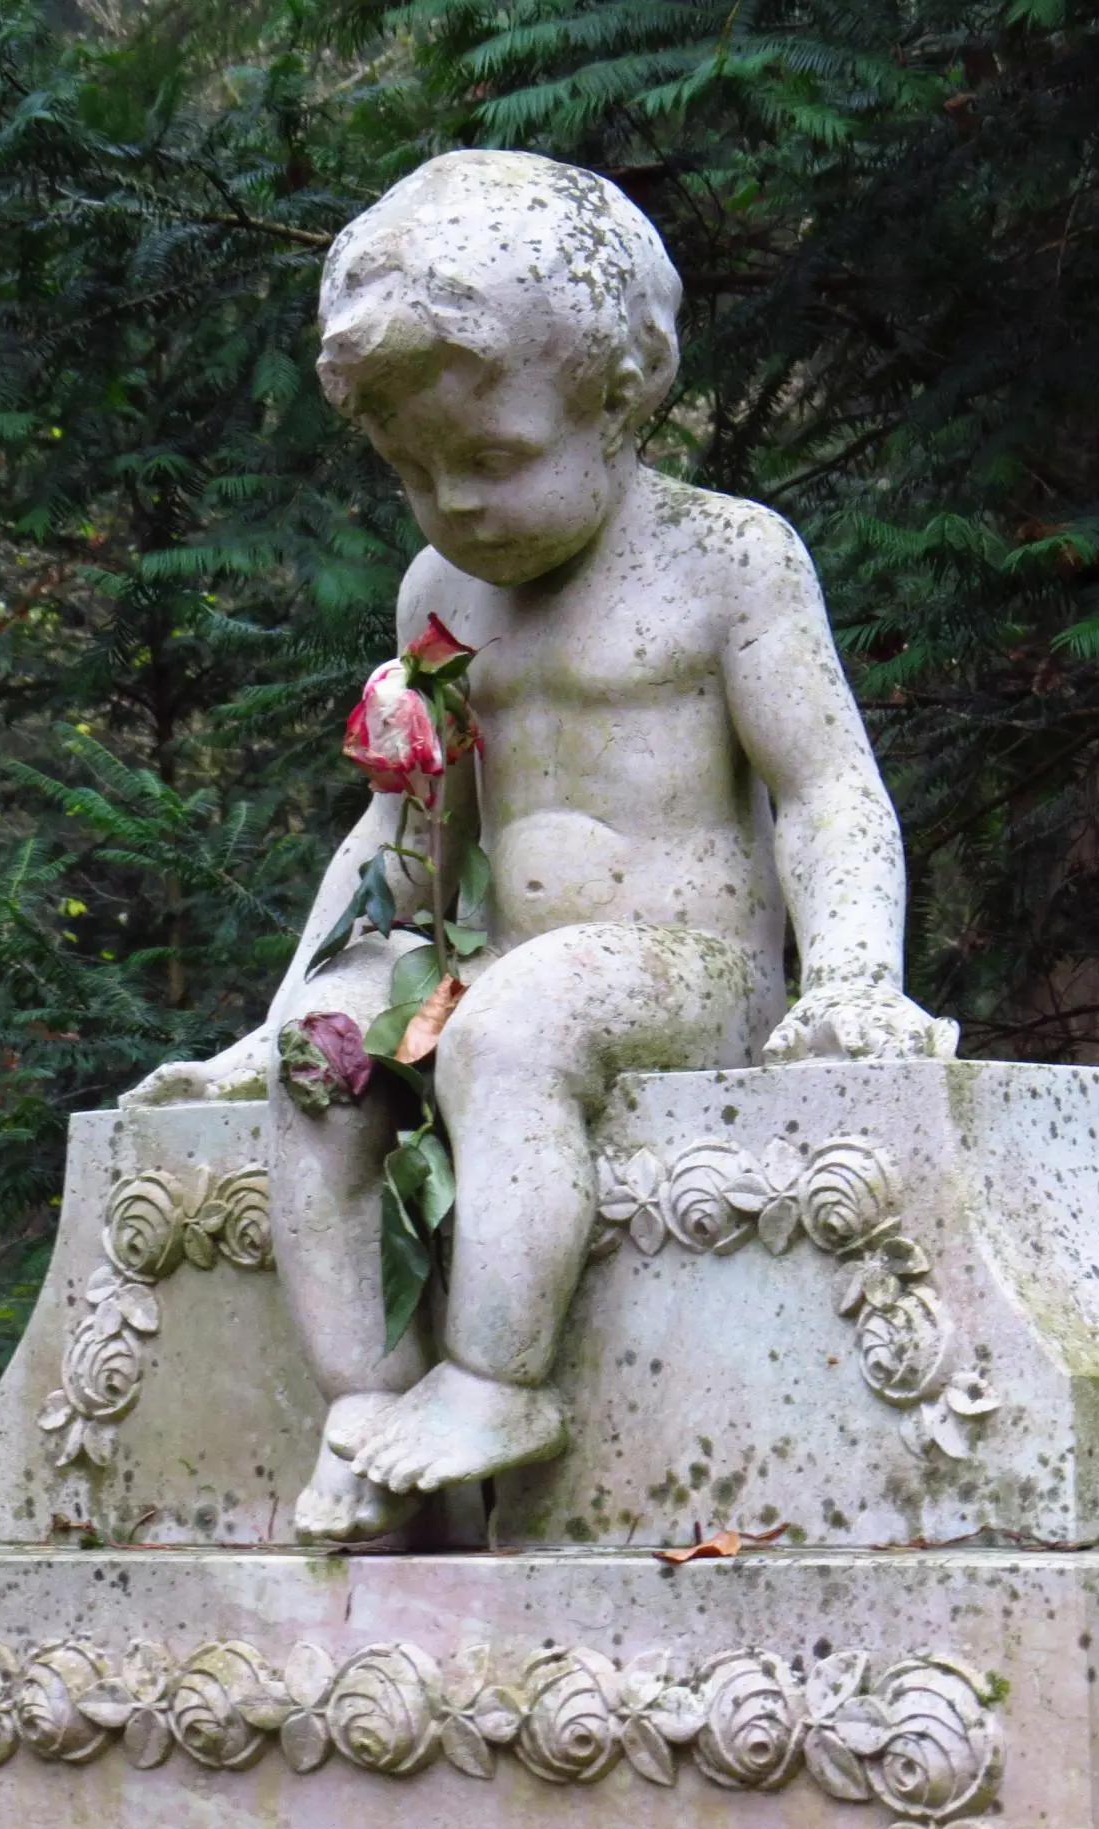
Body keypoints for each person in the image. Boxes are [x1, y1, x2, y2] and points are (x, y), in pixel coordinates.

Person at [121, 149, 954, 1541]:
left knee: (512, 1028)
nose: (454, 501)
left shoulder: (727, 560)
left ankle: (495, 1383)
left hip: (685, 974)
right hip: (490, 969)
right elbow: (401, 836)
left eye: (493, 458)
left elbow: (826, 792)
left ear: (619, 399)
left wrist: (855, 979)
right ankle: (364, 1410)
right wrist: (275, 1024)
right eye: (413, 471)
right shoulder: (438, 595)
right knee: (323, 1064)